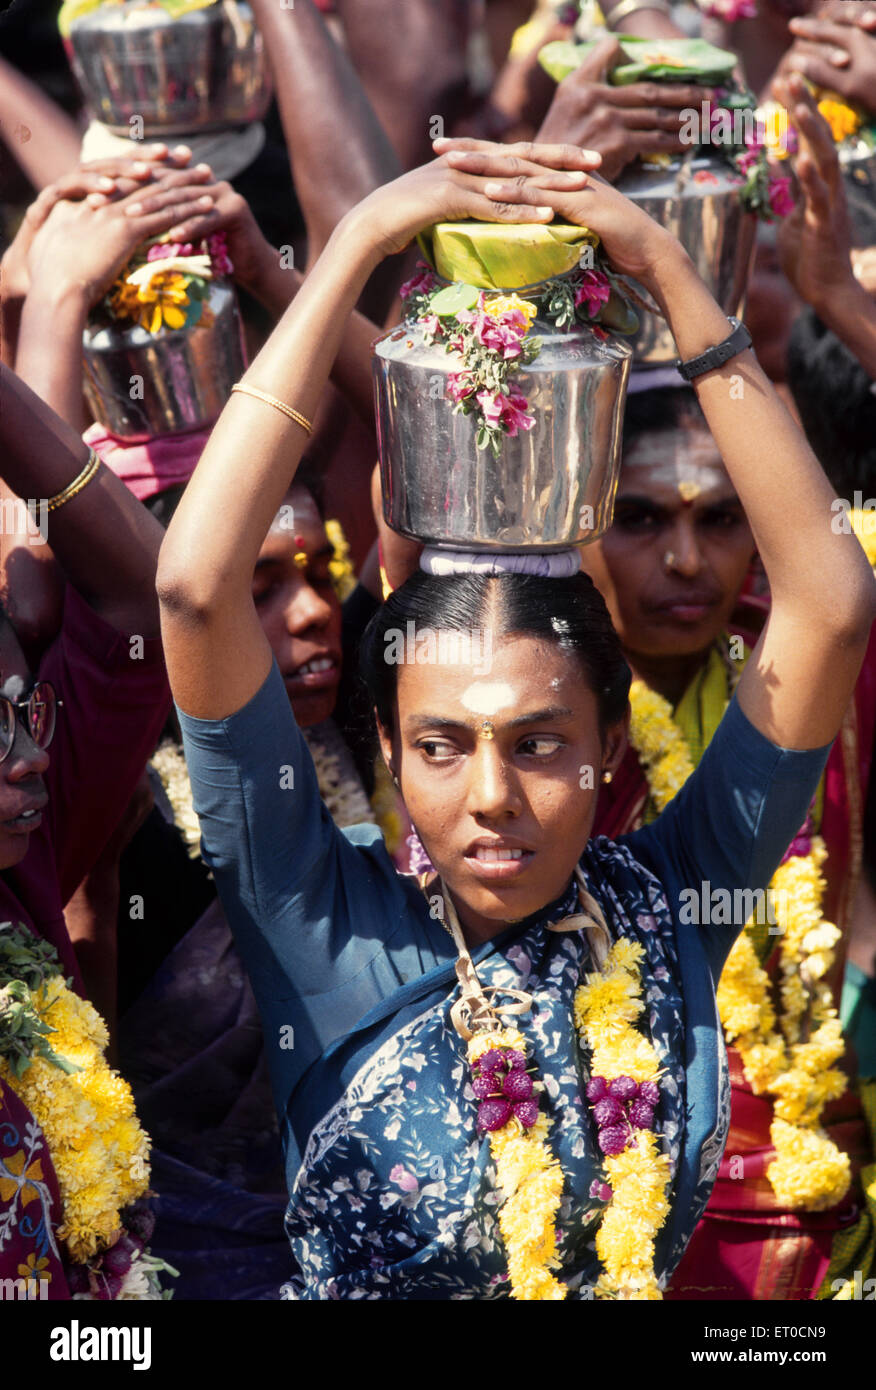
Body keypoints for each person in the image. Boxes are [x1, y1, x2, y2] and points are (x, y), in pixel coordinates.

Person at [156, 137, 875, 1299]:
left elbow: (831, 601)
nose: (491, 795)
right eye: (440, 745)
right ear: (386, 749)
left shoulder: (677, 906)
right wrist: (354, 244)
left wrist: (665, 271)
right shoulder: (318, 923)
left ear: (607, 745)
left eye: (538, 742)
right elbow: (192, 588)